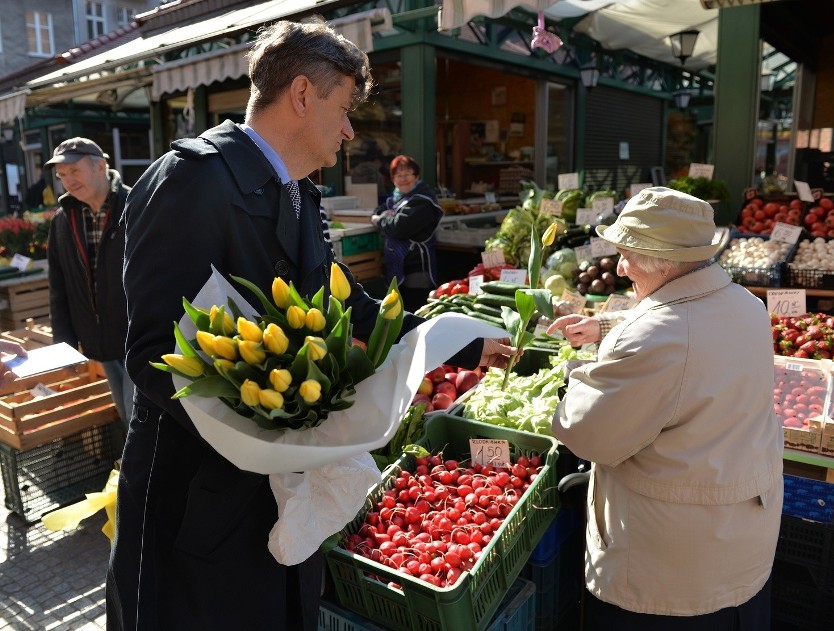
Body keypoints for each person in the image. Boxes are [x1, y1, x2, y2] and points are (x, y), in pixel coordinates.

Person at [110, 18, 514, 631]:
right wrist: (272, 423)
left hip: (273, 485)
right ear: (302, 94)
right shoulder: (191, 180)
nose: (351, 130)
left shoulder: (297, 192)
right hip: (194, 495)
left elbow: (346, 302)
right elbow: (149, 353)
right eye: (345, 108)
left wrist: (461, 347)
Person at [546, 187, 782, 630]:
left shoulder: (658, 338)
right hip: (736, 534)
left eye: (626, 254)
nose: (619, 267)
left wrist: (573, 380)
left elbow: (589, 434)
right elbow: (690, 329)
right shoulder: (748, 305)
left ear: (664, 260)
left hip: (670, 569)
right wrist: (604, 326)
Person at [44, 137, 134, 429]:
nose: (68, 181)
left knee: (140, 422)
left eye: (74, 171)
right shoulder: (63, 220)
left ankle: (143, 473)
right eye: (62, 176)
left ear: (101, 166)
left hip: (139, 339)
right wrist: (65, 348)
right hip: (98, 342)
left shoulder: (136, 205)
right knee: (126, 417)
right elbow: (59, 289)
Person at [370, 155, 443, 310]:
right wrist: (382, 215)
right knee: (399, 312)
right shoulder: (397, 199)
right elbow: (380, 209)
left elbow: (398, 227)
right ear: (393, 179)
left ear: (416, 176)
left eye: (407, 174)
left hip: (417, 269)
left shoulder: (423, 201)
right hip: (397, 267)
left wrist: (379, 220)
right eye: (398, 175)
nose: (403, 179)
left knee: (417, 311)